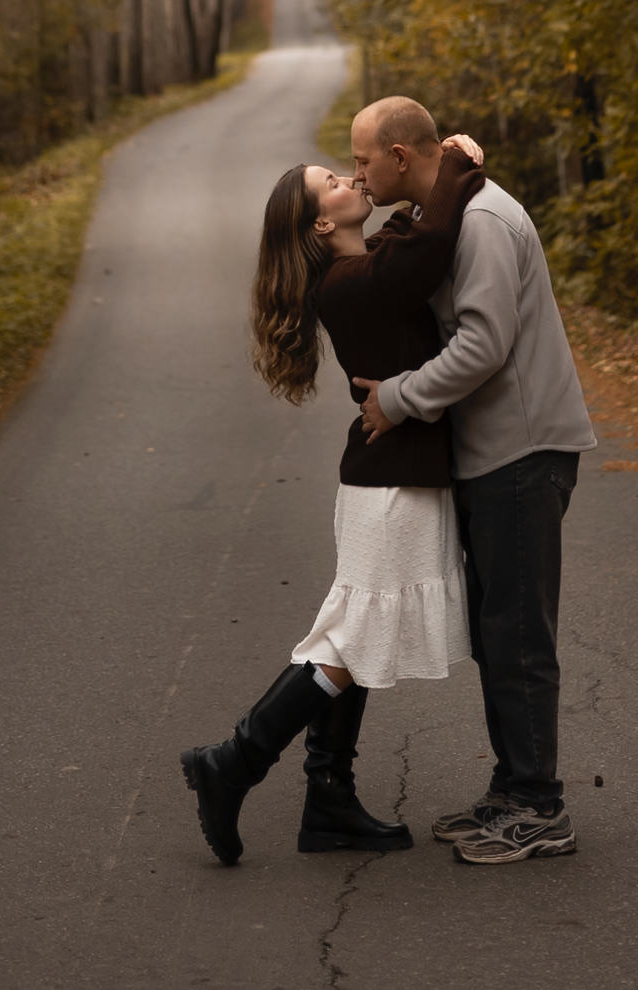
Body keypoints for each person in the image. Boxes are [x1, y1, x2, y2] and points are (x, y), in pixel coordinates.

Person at [180, 133, 484, 868]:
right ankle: (237, 760)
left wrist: (436, 182)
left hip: (388, 475)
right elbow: (432, 243)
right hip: (391, 483)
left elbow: (410, 240)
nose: (351, 177)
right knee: (355, 643)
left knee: (353, 635)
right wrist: (456, 167)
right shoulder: (347, 285)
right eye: (333, 181)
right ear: (322, 222)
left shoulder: (363, 266)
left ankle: (328, 799)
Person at [351, 96, 595, 867]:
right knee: (499, 634)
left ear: (399, 155)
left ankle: (541, 808)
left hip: (522, 453)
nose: (356, 175)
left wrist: (397, 398)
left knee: (519, 638)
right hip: (495, 456)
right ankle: (514, 787)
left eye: (362, 160)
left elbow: (485, 344)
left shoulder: (484, 221)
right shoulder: (449, 214)